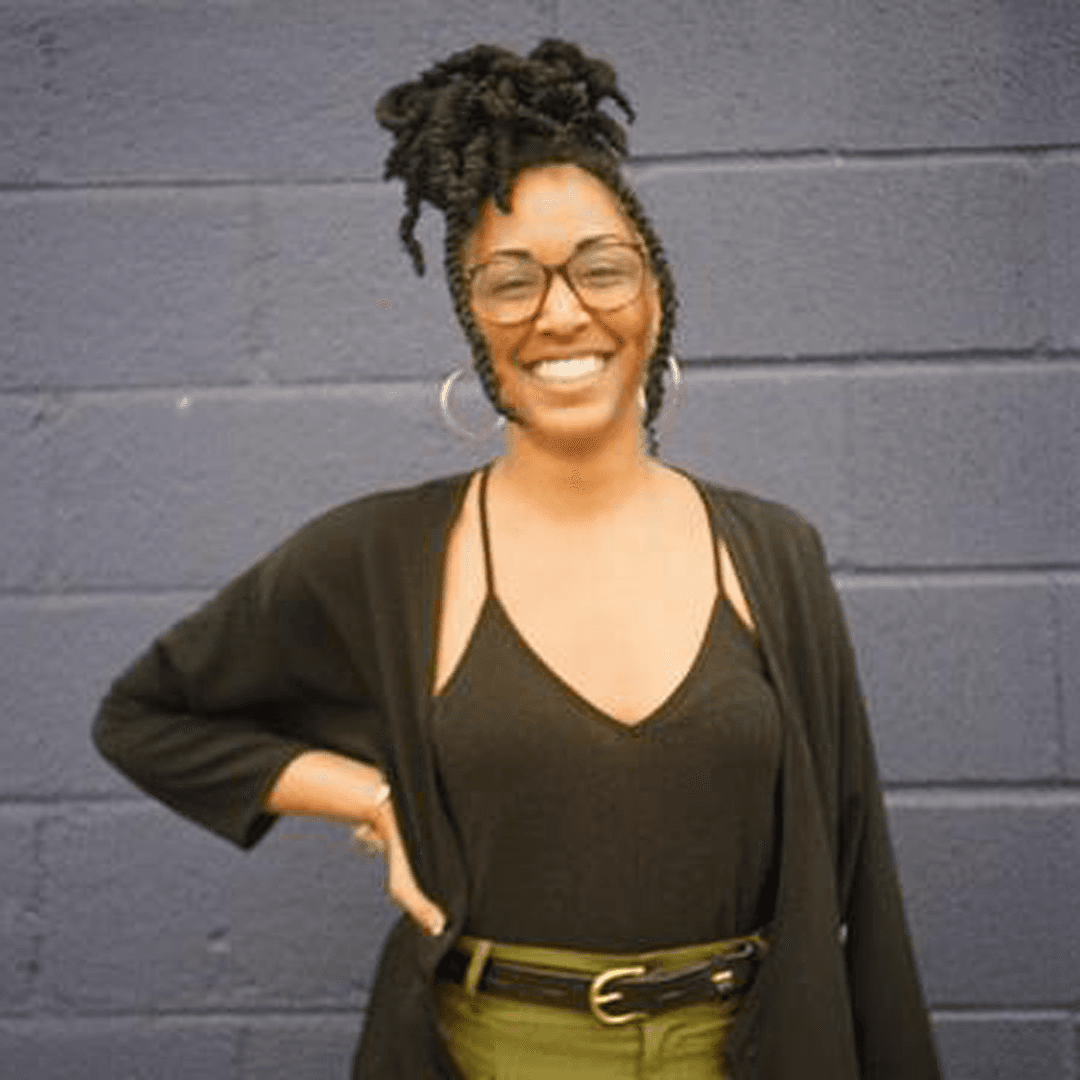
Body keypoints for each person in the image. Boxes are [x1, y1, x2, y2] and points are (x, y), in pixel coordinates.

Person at [92, 39, 942, 1080]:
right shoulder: (383, 553)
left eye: (601, 268)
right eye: (510, 282)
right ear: (473, 322)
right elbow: (146, 718)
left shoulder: (774, 553)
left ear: (655, 295)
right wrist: (374, 800)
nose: (562, 312)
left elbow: (860, 880)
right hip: (491, 1052)